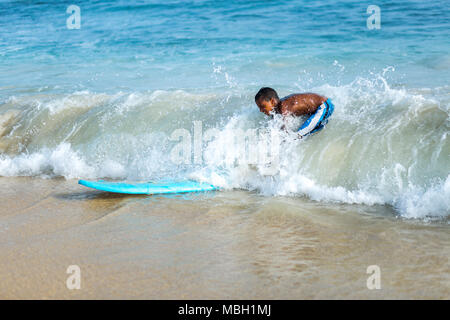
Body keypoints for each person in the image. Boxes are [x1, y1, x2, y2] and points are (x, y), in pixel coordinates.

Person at [255, 87, 334, 138]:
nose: (261, 110)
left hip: (324, 106)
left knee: (298, 137)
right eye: (259, 108)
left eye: (262, 106)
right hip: (312, 111)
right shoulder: (276, 110)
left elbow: (283, 130)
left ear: (272, 101)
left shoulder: (284, 106)